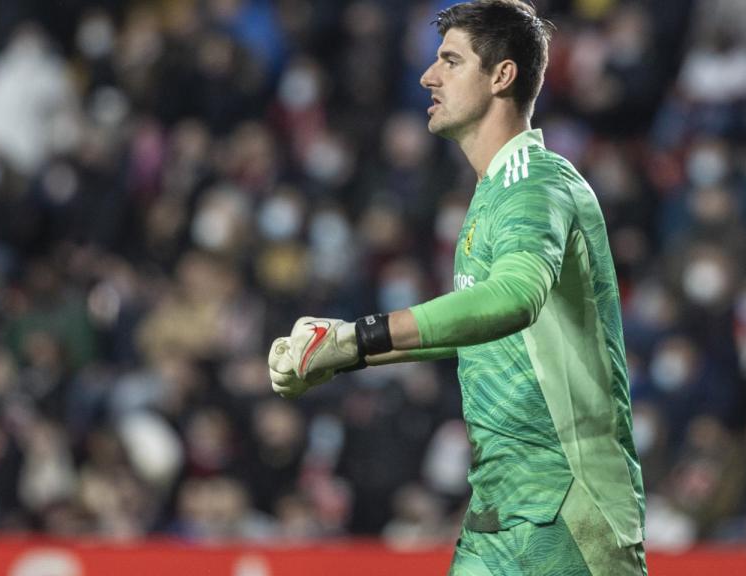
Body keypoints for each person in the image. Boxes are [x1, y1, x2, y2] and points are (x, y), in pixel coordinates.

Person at [268, 1, 648, 573]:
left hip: (568, 512)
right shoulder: (492, 193)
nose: (428, 76)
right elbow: (486, 328)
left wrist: (361, 335)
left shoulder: (534, 181)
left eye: (450, 61)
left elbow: (515, 298)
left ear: (501, 76)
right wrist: (342, 354)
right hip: (498, 513)